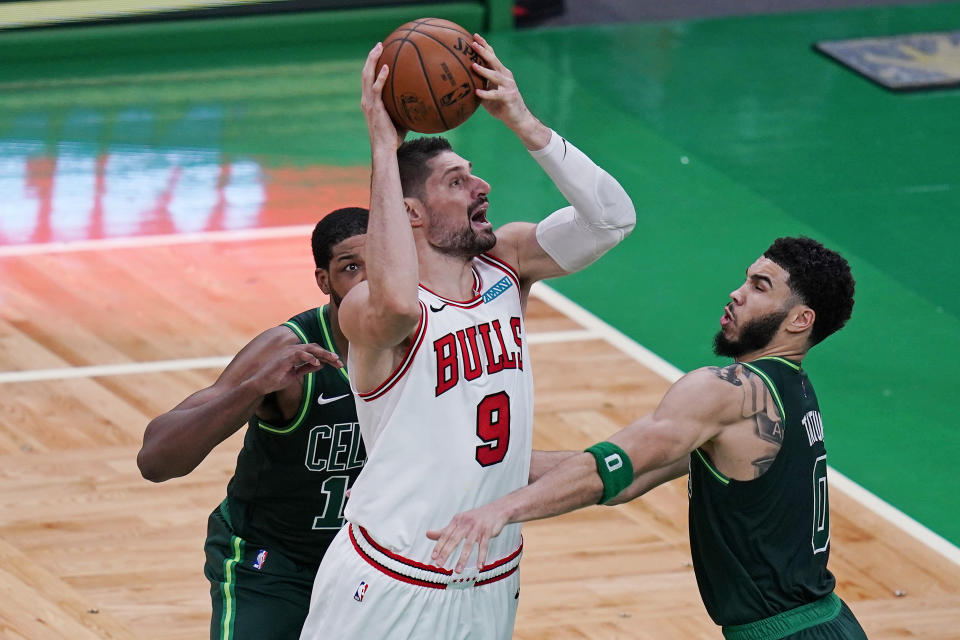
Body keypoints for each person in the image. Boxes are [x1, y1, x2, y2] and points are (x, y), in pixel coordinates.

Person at [298, 34, 636, 640]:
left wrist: (522, 120)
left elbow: (612, 219)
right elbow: (399, 302)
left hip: (490, 571)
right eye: (457, 182)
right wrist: (382, 145)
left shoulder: (507, 265)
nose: (481, 187)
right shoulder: (366, 309)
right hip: (390, 576)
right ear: (411, 215)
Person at [428, 236, 868, 639]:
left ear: (800, 320)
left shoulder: (726, 391)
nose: (737, 292)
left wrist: (496, 512)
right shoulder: (793, 388)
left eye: (759, 286)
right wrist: (482, 461)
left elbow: (610, 468)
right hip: (824, 624)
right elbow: (627, 479)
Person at [137, 207, 370, 640]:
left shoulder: (425, 341)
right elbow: (155, 460)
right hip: (272, 565)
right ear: (324, 281)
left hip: (368, 565)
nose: (368, 281)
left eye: (380, 263)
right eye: (351, 267)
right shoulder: (287, 349)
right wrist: (252, 390)